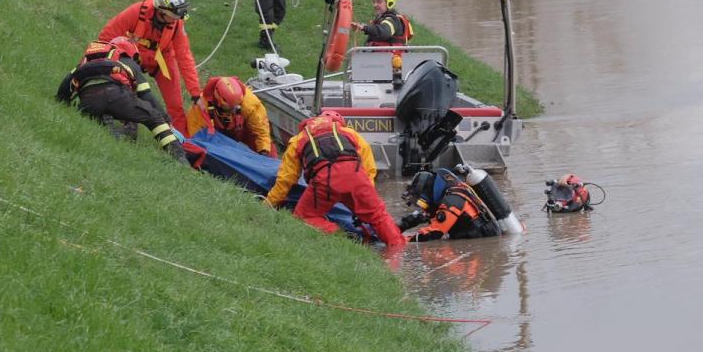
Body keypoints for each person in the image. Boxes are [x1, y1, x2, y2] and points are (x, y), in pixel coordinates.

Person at [264, 111, 405, 246]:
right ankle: (398, 251)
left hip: (325, 182)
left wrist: (268, 204)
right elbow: (369, 169)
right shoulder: (350, 133)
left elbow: (286, 179)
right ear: (339, 123)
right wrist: (365, 199)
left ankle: (341, 235)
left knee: (303, 217)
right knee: (378, 216)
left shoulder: (298, 139)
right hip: (356, 177)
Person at [56, 36, 188, 162]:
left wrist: (62, 102)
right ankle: (180, 157)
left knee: (105, 111)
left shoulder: (88, 61)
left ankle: (110, 128)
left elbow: (66, 83)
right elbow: (147, 96)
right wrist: (167, 122)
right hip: (116, 94)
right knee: (154, 117)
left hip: (88, 100)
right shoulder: (127, 61)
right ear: (131, 52)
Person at [98, 0, 201, 135]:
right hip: (133, 57)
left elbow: (185, 57)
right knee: (127, 92)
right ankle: (126, 124)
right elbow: (106, 37)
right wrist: (99, 63)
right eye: (175, 15)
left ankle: (183, 142)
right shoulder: (136, 12)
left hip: (162, 60)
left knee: (176, 105)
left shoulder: (176, 24)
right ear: (162, 11)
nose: (178, 19)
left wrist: (196, 93)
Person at [396, 169, 500, 241]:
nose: (421, 206)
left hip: (478, 248)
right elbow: (421, 216)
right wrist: (395, 228)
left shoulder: (452, 201)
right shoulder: (449, 194)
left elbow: (434, 233)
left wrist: (400, 240)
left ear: (427, 193)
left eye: (420, 202)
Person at [186, 76, 275, 157]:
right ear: (218, 100)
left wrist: (264, 151)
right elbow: (197, 136)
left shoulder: (250, 103)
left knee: (268, 149)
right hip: (215, 135)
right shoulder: (202, 105)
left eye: (237, 106)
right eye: (230, 108)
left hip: (241, 130)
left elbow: (261, 131)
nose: (233, 110)